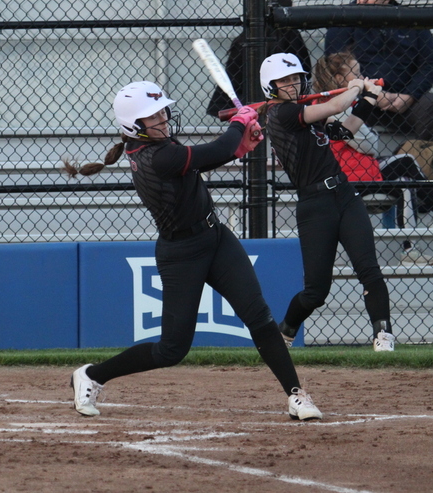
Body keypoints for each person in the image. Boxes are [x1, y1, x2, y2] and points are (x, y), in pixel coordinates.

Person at [62, 81, 322, 421]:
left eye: (162, 112)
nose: (162, 119)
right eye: (152, 116)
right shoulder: (157, 155)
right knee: (171, 350)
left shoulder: (159, 143)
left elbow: (200, 164)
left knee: (259, 317)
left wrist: (239, 147)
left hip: (216, 238)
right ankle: (92, 375)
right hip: (181, 253)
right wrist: (239, 123)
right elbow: (212, 151)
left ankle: (296, 395)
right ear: (133, 125)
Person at [259, 52, 395, 352]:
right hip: (315, 205)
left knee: (369, 270)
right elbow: (335, 106)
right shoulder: (281, 114)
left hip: (344, 195)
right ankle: (284, 332)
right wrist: (356, 87)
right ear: (271, 86)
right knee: (316, 292)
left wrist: (369, 97)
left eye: (296, 78)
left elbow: (345, 130)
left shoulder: (305, 111)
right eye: (284, 80)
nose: (292, 84)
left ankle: (384, 335)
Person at [313, 52, 433, 266]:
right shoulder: (336, 107)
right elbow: (369, 144)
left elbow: (369, 143)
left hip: (360, 169)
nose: (363, 77)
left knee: (405, 169)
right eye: (356, 74)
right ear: (340, 79)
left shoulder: (331, 103)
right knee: (405, 175)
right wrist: (367, 108)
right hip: (351, 178)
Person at [324, 0, 433, 144]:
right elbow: (335, 64)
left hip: (404, 101)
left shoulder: (410, 21)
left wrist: (409, 96)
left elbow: (429, 63)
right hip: (359, 99)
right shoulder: (343, 20)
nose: (362, 0)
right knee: (342, 104)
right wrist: (371, 94)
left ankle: (430, 157)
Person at [206, 0, 311, 118]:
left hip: (245, 99)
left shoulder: (246, 36)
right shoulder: (290, 34)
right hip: (274, 99)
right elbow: (306, 68)